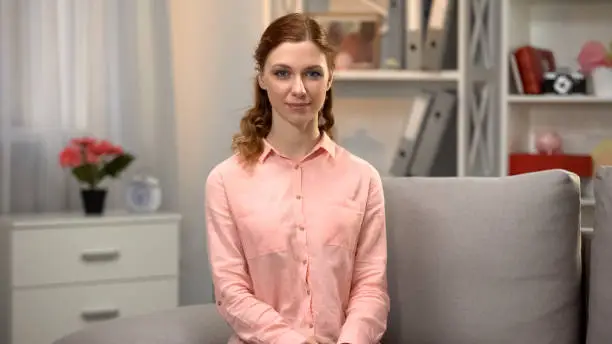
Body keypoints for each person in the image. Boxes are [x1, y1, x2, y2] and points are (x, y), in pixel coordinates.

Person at [205, 12, 390, 344]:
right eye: (282, 73)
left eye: (312, 73)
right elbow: (230, 290)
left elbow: (370, 287)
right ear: (262, 79)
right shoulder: (225, 181)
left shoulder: (363, 179)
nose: (299, 89)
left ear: (330, 78)